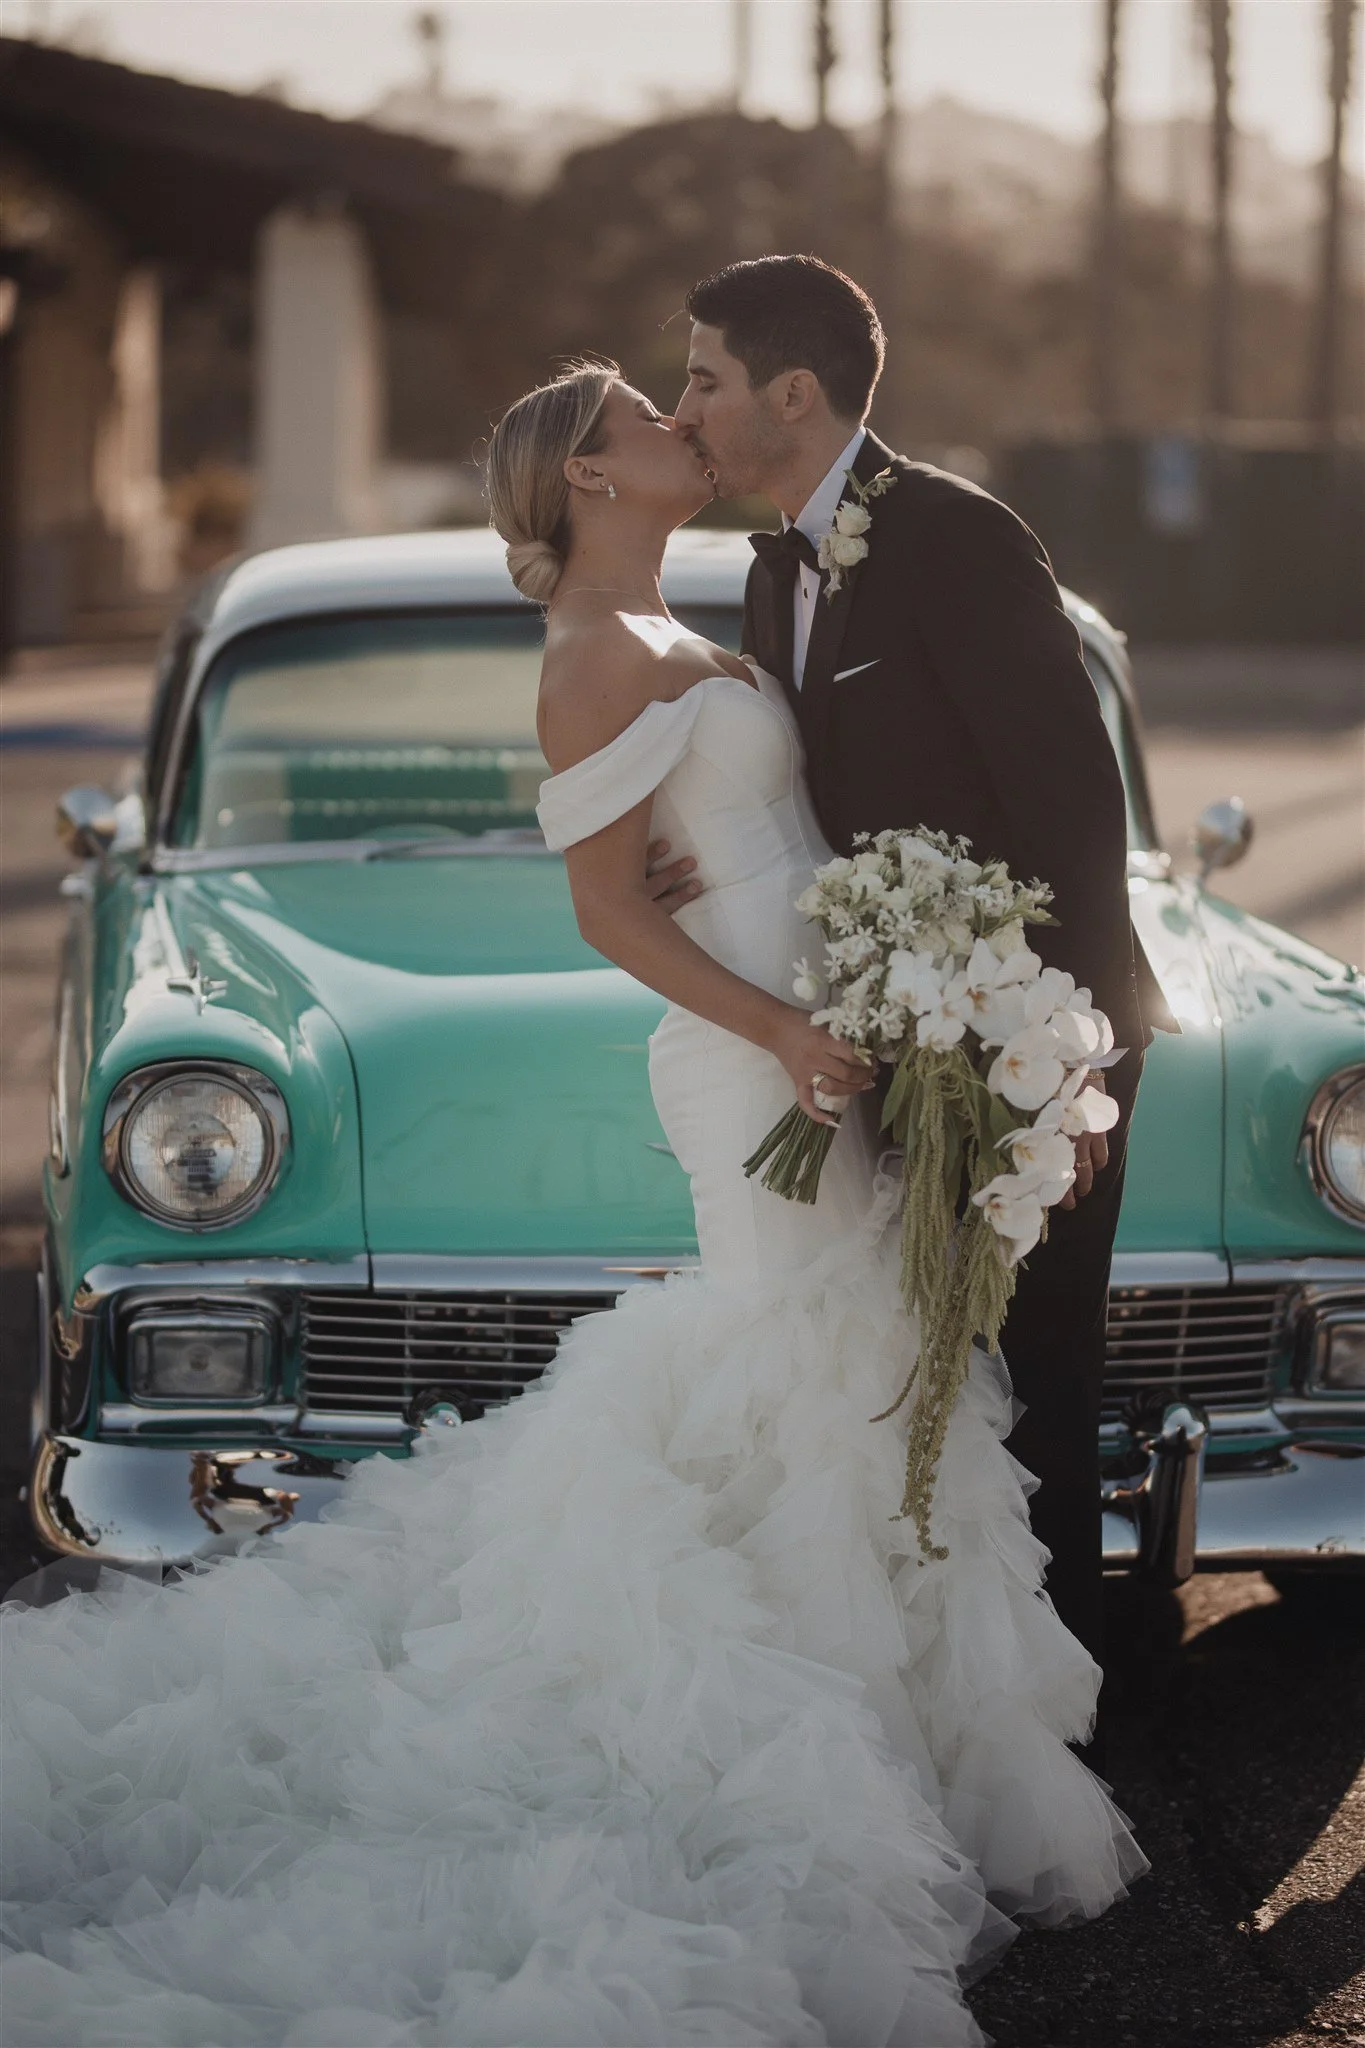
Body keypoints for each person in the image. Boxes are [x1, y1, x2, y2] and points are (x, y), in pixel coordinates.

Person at [0, 358, 1145, 2048]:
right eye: (649, 416)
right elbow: (608, 911)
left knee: (849, 1358)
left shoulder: (694, 616)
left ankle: (881, 1737)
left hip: (820, 1027)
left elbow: (727, 822)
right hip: (754, 1059)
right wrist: (782, 1027)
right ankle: (788, 1754)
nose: (685, 423)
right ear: (590, 477)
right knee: (807, 1357)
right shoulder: (591, 653)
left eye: (693, 395)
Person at [672, 256, 1178, 1713]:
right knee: (921, 1381)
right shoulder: (771, 567)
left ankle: (1062, 1735)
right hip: (891, 1033)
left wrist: (1072, 1070)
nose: (682, 409)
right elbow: (806, 799)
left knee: (1031, 1384)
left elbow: (1073, 804)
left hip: (1025, 1035)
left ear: (793, 392)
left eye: (703, 379)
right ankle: (947, 1708)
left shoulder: (959, 536)